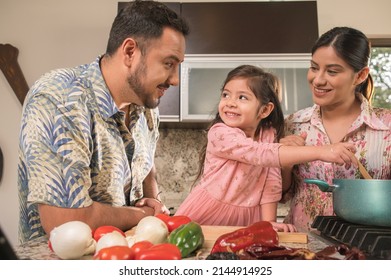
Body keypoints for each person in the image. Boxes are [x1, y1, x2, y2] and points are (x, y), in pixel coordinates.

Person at [17, 0, 189, 243]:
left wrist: (156, 205)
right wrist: (143, 215)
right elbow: (65, 221)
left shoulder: (146, 103)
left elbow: (147, 165)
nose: (175, 80)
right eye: (168, 64)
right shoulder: (61, 99)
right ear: (130, 52)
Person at [175, 65, 358, 232]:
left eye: (242, 97)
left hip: (249, 218)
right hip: (209, 213)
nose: (230, 102)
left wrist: (268, 222)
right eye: (226, 94)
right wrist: (322, 151)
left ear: (264, 110)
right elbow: (259, 154)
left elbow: (271, 182)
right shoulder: (220, 133)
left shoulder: (268, 135)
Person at [281, 27, 391, 232]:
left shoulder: (387, 127)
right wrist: (285, 163)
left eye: (332, 71)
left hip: (368, 249)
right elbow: (280, 195)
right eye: (314, 67)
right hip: (304, 248)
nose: (318, 79)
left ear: (360, 75)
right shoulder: (292, 124)